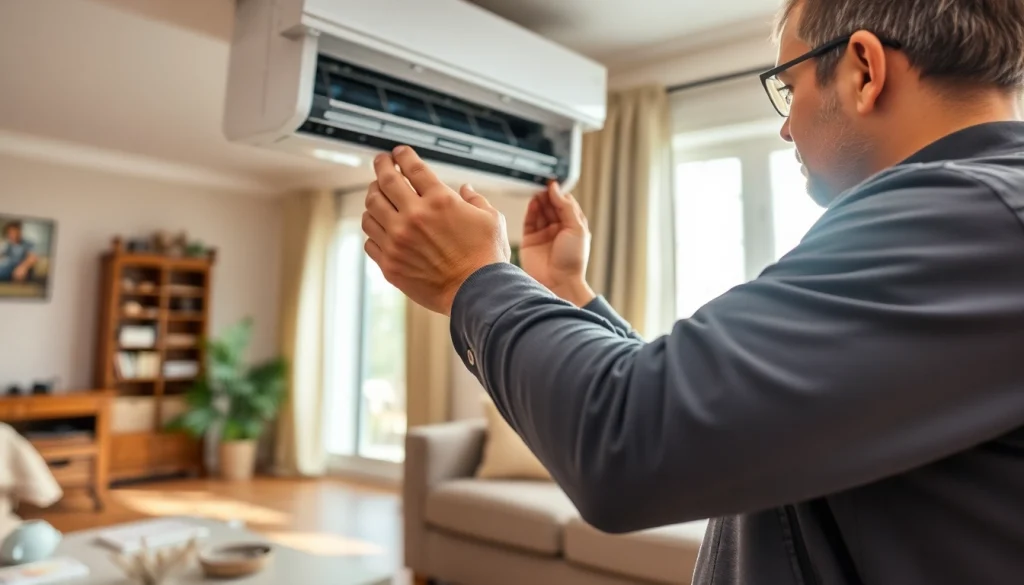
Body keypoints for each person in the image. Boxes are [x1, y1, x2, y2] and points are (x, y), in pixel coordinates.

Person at [360, 0, 1024, 582]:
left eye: (787, 87)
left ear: (863, 68)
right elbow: (707, 425)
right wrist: (568, 293)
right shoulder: (975, 220)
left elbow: (625, 445)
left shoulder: (968, 217)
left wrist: (473, 278)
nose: (787, 126)